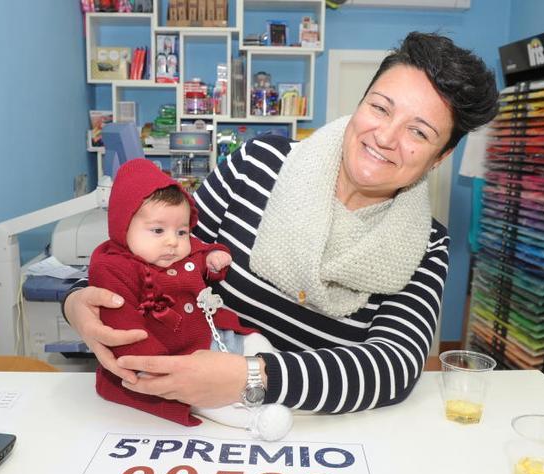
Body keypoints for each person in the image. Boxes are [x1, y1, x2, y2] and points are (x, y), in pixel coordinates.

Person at [63, 32, 499, 416]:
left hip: (315, 437)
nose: (386, 137)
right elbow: (150, 258)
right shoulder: (259, 164)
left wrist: (253, 376)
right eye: (380, 108)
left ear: (440, 156)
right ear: (360, 103)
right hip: (186, 415)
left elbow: (392, 367)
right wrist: (77, 303)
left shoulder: (426, 245)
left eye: (418, 132)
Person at [88, 158, 292, 439]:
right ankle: (254, 421)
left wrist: (212, 258)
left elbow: (201, 250)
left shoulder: (176, 249)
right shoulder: (113, 268)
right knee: (208, 400)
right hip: (173, 357)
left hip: (217, 336)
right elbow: (126, 332)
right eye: (158, 230)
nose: (173, 241)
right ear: (122, 228)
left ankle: (282, 388)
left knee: (258, 344)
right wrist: (162, 372)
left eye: (181, 231)